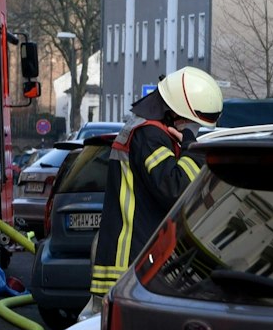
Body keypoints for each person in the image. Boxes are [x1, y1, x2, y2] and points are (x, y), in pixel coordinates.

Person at [90, 66, 223, 299]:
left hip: (134, 263)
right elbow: (175, 189)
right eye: (190, 122)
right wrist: (192, 149)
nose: (192, 127)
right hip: (131, 267)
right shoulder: (150, 136)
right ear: (175, 111)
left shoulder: (147, 130)